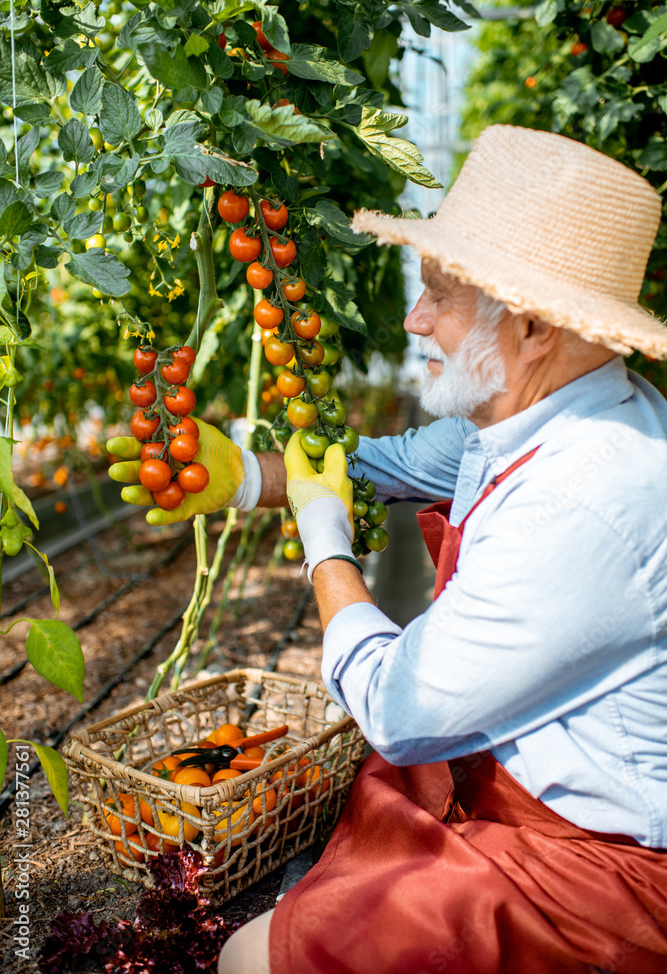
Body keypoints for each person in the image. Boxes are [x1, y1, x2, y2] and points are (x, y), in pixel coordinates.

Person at [109, 126, 667, 974]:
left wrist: (325, 549)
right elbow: (382, 467)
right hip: (515, 785)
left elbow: (401, 712)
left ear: (529, 327)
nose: (414, 322)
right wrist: (243, 479)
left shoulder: (586, 495)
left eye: (436, 296)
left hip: (603, 873)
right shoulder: (536, 414)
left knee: (253, 958)